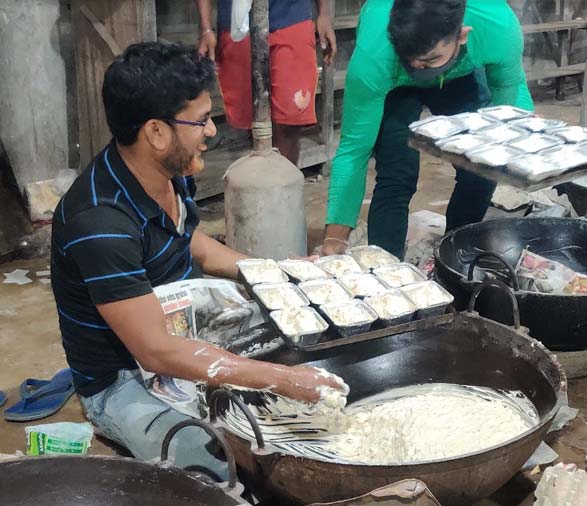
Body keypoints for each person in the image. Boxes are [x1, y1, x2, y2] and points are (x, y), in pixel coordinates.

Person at [51, 42, 340, 478]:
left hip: (186, 329)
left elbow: (191, 243)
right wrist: (281, 380)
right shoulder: (100, 222)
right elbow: (155, 351)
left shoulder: (169, 172)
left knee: (312, 334)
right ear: (156, 132)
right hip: (125, 378)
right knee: (217, 461)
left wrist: (276, 274)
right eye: (201, 120)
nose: (211, 130)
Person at [320, 0, 532, 258]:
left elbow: (507, 103)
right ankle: (386, 269)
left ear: (462, 35)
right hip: (395, 79)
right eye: (414, 62)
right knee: (396, 175)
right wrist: (334, 239)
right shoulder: (374, 55)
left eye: (430, 59)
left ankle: (456, 254)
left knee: (482, 166)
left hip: (459, 75)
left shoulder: (497, 27)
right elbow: (354, 149)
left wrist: (523, 148)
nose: (420, 68)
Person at [195, 0, 336, 165]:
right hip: (238, 19)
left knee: (290, 119)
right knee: (254, 121)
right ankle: (262, 182)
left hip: (292, 13)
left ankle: (284, 186)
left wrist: (324, 14)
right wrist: (205, 27)